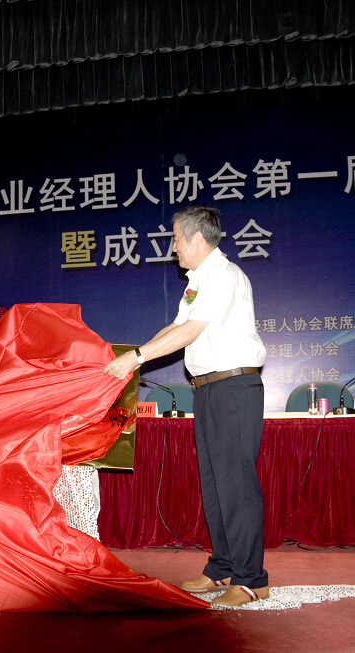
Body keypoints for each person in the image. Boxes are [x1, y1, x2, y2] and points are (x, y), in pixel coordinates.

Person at [103, 205, 269, 607]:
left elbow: (191, 331)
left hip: (233, 387)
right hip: (209, 389)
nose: (173, 247)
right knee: (215, 484)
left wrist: (137, 358)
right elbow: (177, 327)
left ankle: (251, 579)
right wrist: (133, 355)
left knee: (236, 485)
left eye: (176, 239)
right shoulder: (199, 281)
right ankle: (223, 567)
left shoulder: (223, 275)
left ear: (196, 238)